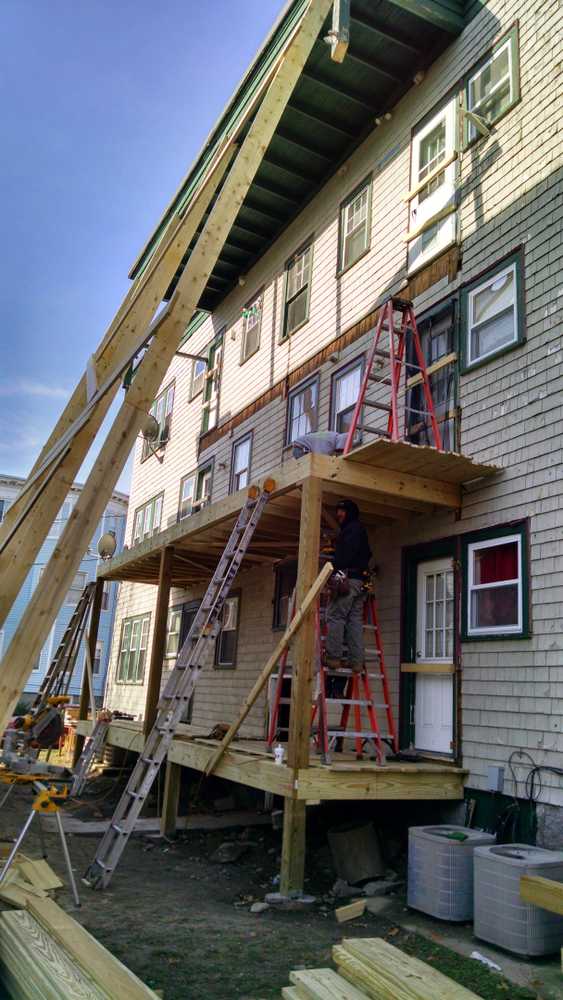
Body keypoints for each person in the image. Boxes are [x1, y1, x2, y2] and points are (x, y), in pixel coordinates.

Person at [324, 499, 372, 673]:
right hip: (360, 582)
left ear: (350, 512)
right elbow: (366, 554)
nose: (339, 514)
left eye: (342, 511)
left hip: (348, 581)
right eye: (338, 511)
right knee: (354, 621)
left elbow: (345, 556)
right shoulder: (359, 530)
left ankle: (333, 658)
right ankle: (356, 662)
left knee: (335, 616)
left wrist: (334, 564)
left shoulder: (351, 530)